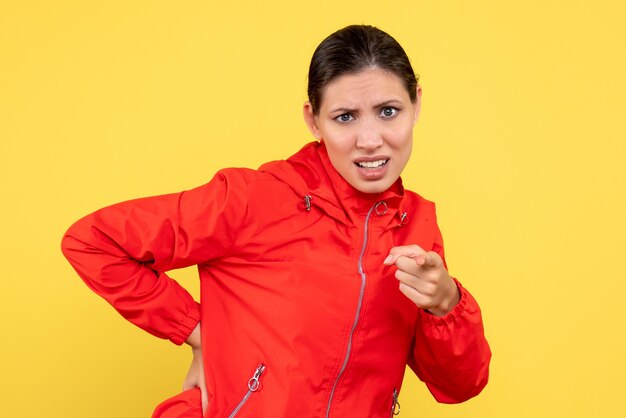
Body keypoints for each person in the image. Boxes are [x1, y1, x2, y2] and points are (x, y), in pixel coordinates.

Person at [61, 24, 491, 417]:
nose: (370, 139)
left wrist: (446, 303)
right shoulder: (254, 199)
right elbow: (91, 241)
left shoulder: (416, 224)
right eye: (345, 117)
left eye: (388, 111)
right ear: (313, 120)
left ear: (417, 103)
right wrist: (197, 331)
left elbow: (460, 385)